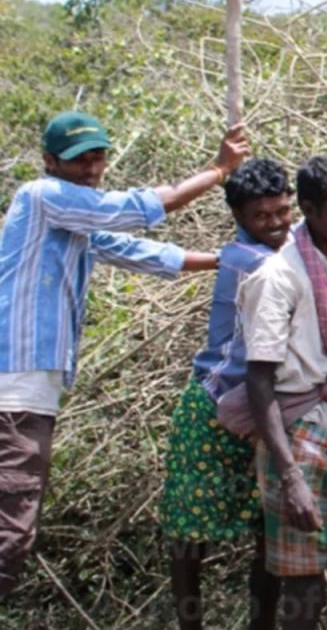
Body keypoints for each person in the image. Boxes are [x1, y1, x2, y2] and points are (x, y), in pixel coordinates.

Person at [161, 156, 327, 630]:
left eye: (278, 212)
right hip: (251, 414)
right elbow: (260, 381)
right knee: (255, 555)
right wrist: (290, 475)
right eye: (260, 216)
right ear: (310, 209)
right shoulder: (266, 269)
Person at [0, 110, 250, 595]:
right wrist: (218, 170)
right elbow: (133, 210)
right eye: (79, 162)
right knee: (10, 529)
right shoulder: (43, 196)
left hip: (28, 390)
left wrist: (227, 259)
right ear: (50, 162)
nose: (91, 170)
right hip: (15, 391)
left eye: (98, 159)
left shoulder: (70, 218)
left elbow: (135, 250)